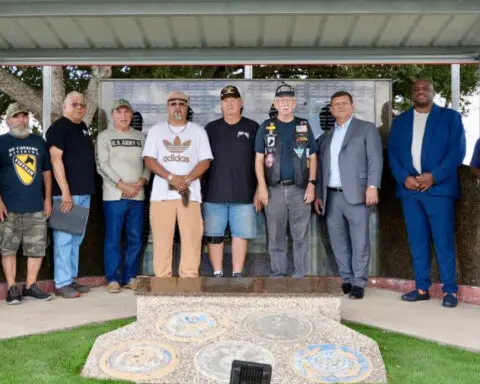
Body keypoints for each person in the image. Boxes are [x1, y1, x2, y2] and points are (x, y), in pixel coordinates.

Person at [388, 79, 466, 308]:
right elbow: (392, 154)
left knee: (443, 242)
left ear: (433, 92)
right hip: (410, 192)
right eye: (416, 89)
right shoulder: (401, 122)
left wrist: (435, 176)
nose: (420, 92)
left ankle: (449, 291)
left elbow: (457, 150)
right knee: (417, 242)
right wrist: (405, 178)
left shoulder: (450, 118)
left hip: (439, 190)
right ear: (412, 94)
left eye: (425, 88)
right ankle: (422, 287)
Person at [314, 91, 383, 299]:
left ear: (352, 106)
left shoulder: (366, 129)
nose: (341, 107)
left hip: (357, 195)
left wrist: (373, 185)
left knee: (360, 240)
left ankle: (359, 282)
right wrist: (318, 194)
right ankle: (346, 278)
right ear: (332, 109)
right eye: (336, 104)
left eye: (344, 103)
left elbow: (375, 159)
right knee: (338, 240)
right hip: (331, 196)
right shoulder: (326, 137)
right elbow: (320, 170)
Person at [142, 91, 212, 277]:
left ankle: (189, 279)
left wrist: (186, 180)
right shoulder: (157, 130)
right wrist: (172, 178)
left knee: (191, 239)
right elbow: (149, 160)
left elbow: (205, 161)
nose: (177, 106)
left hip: (190, 195)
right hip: (161, 196)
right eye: (173, 103)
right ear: (167, 107)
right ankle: (163, 281)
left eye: (181, 103)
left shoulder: (198, 131)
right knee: (162, 240)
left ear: (187, 107)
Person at [255, 84, 317, 278]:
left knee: (300, 236)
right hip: (274, 189)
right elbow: (258, 159)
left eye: (289, 100)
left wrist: (312, 184)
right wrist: (262, 188)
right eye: (281, 100)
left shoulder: (304, 125)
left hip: (300, 189)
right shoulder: (266, 126)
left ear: (294, 103)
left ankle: (300, 276)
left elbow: (313, 157)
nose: (285, 104)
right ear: (275, 103)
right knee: (275, 237)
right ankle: (278, 276)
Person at [202, 85, 260, 277]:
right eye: (225, 101)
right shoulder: (210, 129)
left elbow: (261, 162)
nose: (229, 104)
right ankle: (217, 273)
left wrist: (260, 189)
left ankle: (237, 273)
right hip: (213, 194)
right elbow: (202, 162)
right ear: (221, 104)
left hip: (244, 194)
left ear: (241, 103)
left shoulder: (253, 127)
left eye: (233, 100)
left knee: (240, 235)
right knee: (214, 236)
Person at [0, 103, 53, 304]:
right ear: (8, 120)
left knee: (37, 248)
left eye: (24, 116)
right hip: (9, 208)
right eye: (17, 116)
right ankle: (12, 288)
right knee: (8, 248)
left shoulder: (39, 142)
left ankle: (30, 286)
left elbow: (46, 172)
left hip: (36, 206)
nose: (21, 120)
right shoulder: (1, 142)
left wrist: (47, 198)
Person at [96, 99, 150, 293]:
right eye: (119, 112)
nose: (124, 116)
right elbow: (102, 165)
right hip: (114, 196)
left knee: (135, 238)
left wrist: (141, 181)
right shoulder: (104, 136)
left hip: (137, 194)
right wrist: (122, 185)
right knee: (113, 238)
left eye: (127, 112)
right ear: (113, 115)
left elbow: (148, 164)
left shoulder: (141, 137)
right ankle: (112, 278)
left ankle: (130, 277)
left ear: (131, 115)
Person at [46, 91, 97, 298]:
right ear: (64, 107)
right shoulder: (58, 128)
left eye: (82, 105)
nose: (79, 107)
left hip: (84, 192)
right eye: (74, 104)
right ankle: (62, 282)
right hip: (67, 195)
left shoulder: (83, 128)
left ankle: (70, 278)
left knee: (76, 239)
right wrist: (66, 192)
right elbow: (56, 161)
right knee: (64, 239)